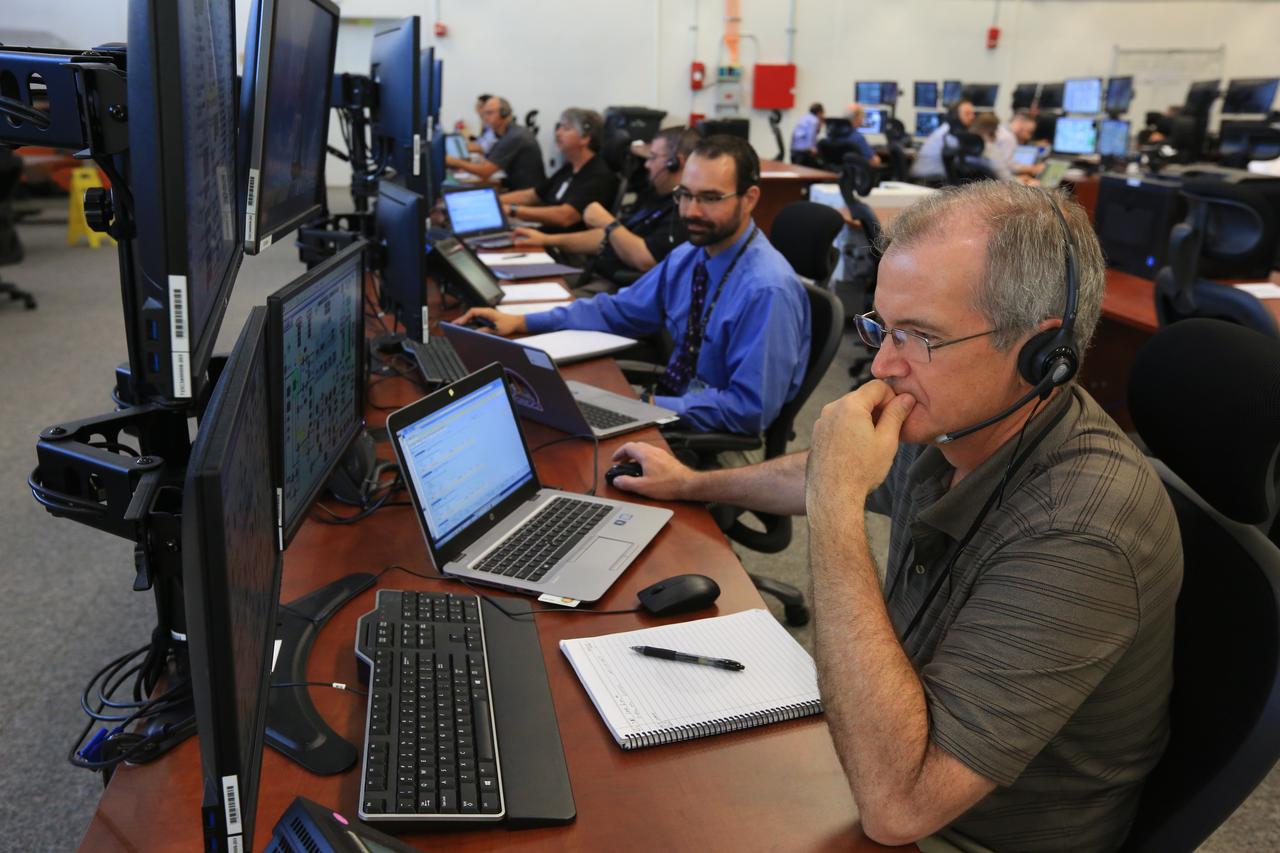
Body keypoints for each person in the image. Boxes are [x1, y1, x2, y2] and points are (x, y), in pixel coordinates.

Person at [606, 181, 1182, 852]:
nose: (882, 364)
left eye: (920, 336)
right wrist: (694, 481)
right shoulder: (958, 422)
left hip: (956, 829)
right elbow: (813, 471)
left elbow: (899, 808)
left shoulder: (1083, 529)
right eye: (882, 326)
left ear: (1039, 353)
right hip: (890, 740)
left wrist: (836, 508)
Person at [460, 135, 811, 435]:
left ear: (749, 198)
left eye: (709, 198)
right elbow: (617, 310)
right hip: (671, 407)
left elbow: (749, 411)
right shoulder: (692, 255)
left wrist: (643, 404)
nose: (690, 211)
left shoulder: (768, 290)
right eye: (685, 195)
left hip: (719, 441)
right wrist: (522, 322)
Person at [511, 126, 696, 294]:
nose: (646, 164)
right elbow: (611, 236)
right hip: (596, 274)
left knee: (535, 308)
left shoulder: (683, 210)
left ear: (675, 163)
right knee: (517, 283)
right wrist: (546, 239)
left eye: (653, 157)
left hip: (621, 289)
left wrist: (607, 221)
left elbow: (645, 259)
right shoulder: (653, 194)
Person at [496, 108, 618, 233]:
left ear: (585, 138)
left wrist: (512, 210)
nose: (558, 133)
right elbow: (533, 195)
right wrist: (494, 200)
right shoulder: (570, 168)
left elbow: (564, 217)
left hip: (563, 246)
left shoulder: (598, 176)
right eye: (559, 128)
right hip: (543, 232)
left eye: (566, 129)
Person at [446, 96, 546, 191]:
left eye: (489, 113)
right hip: (518, 187)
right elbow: (488, 162)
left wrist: (454, 161)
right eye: (484, 113)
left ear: (504, 114)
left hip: (526, 193)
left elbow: (484, 171)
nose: (485, 118)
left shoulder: (513, 137)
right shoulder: (508, 133)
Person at [911, 99, 975, 181]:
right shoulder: (949, 134)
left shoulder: (945, 129)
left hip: (930, 179)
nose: (973, 117)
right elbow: (963, 162)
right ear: (955, 116)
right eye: (967, 114)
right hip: (927, 181)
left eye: (973, 113)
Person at [992, 109, 1044, 178]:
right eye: (1029, 132)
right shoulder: (1009, 138)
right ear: (1019, 124)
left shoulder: (1001, 130)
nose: (1028, 137)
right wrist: (1033, 169)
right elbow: (1009, 166)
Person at [842, 103, 882, 168]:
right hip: (855, 175)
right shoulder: (857, 138)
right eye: (862, 116)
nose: (862, 120)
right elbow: (873, 161)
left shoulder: (831, 136)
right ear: (857, 118)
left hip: (835, 174)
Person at [790, 102, 825, 167]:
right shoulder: (814, 120)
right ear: (819, 112)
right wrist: (812, 147)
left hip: (795, 149)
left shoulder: (804, 117)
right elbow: (810, 135)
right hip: (804, 150)